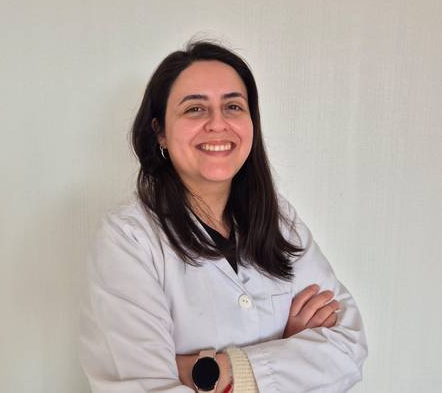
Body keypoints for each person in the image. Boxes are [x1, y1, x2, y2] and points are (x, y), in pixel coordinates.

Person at [79, 40, 368, 393]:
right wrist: (289, 348)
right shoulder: (128, 240)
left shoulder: (280, 220)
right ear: (160, 132)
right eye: (195, 109)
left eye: (233, 106)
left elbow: (349, 347)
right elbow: (147, 388)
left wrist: (212, 372)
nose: (218, 123)